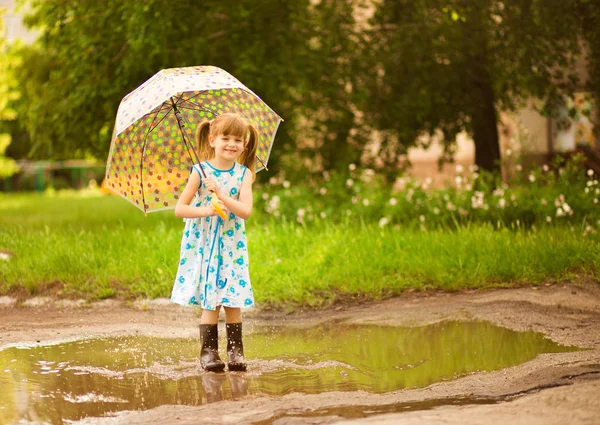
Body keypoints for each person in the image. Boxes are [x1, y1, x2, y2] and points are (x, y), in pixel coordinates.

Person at [171, 113, 258, 373]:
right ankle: (208, 352)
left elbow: (245, 211)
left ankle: (236, 350)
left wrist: (220, 194)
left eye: (238, 140)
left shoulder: (244, 174)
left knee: (233, 297)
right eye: (225, 138)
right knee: (212, 299)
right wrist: (207, 210)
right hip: (206, 243)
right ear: (212, 140)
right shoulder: (199, 172)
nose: (231, 144)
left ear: (244, 144)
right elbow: (180, 209)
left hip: (232, 246)